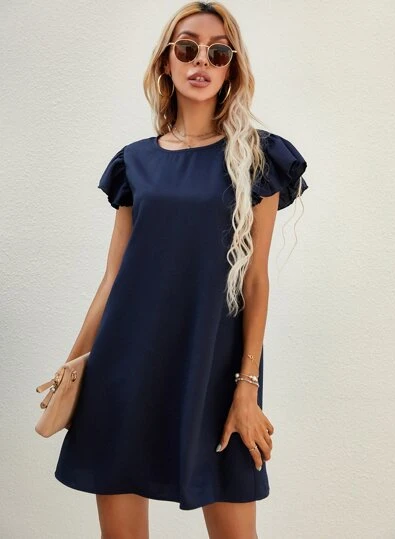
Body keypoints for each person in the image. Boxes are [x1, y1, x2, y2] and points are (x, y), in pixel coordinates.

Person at [54, 2, 309, 538]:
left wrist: (247, 386)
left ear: (231, 69)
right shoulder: (134, 162)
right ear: (166, 62)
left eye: (219, 53)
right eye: (188, 47)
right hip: (123, 368)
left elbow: (255, 279)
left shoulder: (259, 157)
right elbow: (113, 278)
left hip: (215, 371)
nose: (202, 61)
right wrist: (72, 367)